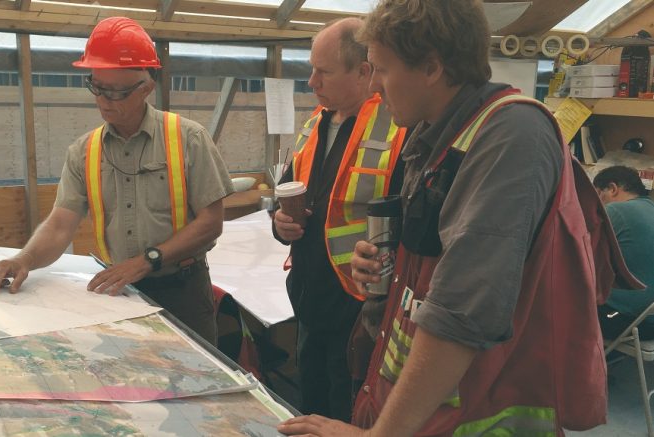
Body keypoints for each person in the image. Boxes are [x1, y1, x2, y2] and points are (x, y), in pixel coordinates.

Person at [278, 0, 640, 435]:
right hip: (424, 409)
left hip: (481, 411)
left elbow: (463, 309)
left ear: (431, 67)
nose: (374, 85)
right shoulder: (434, 136)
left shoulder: (512, 135)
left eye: (381, 69)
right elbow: (432, 263)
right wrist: (381, 265)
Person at [0, 17, 234, 346]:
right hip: (119, 291)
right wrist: (23, 259)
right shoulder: (85, 152)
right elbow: (60, 225)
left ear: (146, 88)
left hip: (183, 291)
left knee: (202, 382)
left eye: (115, 92)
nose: (103, 100)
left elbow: (211, 222)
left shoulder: (188, 139)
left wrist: (147, 261)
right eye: (97, 87)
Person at [272, 17, 406, 422]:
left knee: (348, 409)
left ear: (364, 71)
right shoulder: (316, 122)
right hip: (311, 299)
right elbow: (285, 190)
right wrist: (278, 223)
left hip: (360, 310)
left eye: (323, 72)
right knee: (310, 401)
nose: (311, 82)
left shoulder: (399, 127)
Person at [594, 166, 654, 340]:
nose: (596, 205)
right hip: (648, 320)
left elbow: (579, 252)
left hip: (631, 322)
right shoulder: (650, 208)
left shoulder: (615, 211)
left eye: (598, 196)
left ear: (613, 189)